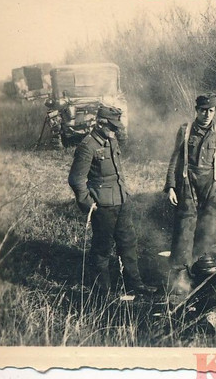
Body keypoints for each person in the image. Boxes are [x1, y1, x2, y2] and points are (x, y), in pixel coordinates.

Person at [68, 104, 154, 297]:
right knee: (102, 249)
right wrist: (89, 204)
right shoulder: (87, 146)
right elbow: (76, 179)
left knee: (128, 243)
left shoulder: (111, 140)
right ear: (100, 123)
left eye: (117, 126)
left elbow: (117, 172)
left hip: (122, 201)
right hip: (103, 206)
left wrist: (125, 194)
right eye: (112, 126)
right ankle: (102, 293)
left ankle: (135, 284)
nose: (116, 130)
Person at [164, 92, 216, 269]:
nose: (207, 114)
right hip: (187, 184)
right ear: (196, 110)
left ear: (215, 111)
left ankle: (202, 270)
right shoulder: (185, 131)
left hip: (211, 186)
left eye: (211, 110)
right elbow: (175, 159)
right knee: (184, 229)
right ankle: (181, 276)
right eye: (203, 110)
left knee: (207, 229)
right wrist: (171, 186)